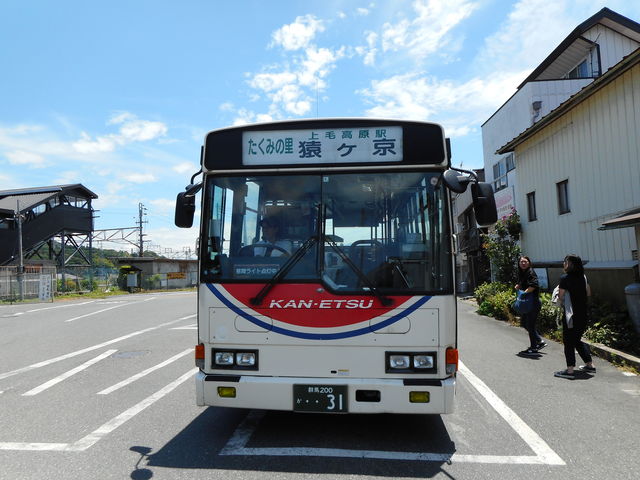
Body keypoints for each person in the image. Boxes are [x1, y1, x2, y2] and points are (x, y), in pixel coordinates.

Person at [554, 254, 595, 379]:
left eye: (565, 262)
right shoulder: (583, 277)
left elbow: (560, 297)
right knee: (576, 339)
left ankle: (570, 370)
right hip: (583, 314)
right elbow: (588, 293)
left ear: (570, 264)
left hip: (570, 315)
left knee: (569, 341)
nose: (564, 264)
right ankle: (589, 364)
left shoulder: (565, 278)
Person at [515, 256, 546, 356]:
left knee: (530, 325)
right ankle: (539, 341)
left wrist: (524, 293)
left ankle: (534, 348)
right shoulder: (522, 273)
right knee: (524, 323)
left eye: (525, 262)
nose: (523, 263)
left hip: (533, 303)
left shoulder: (531, 272)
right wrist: (519, 286)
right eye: (521, 262)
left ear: (529, 263)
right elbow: (524, 284)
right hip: (527, 303)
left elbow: (533, 285)